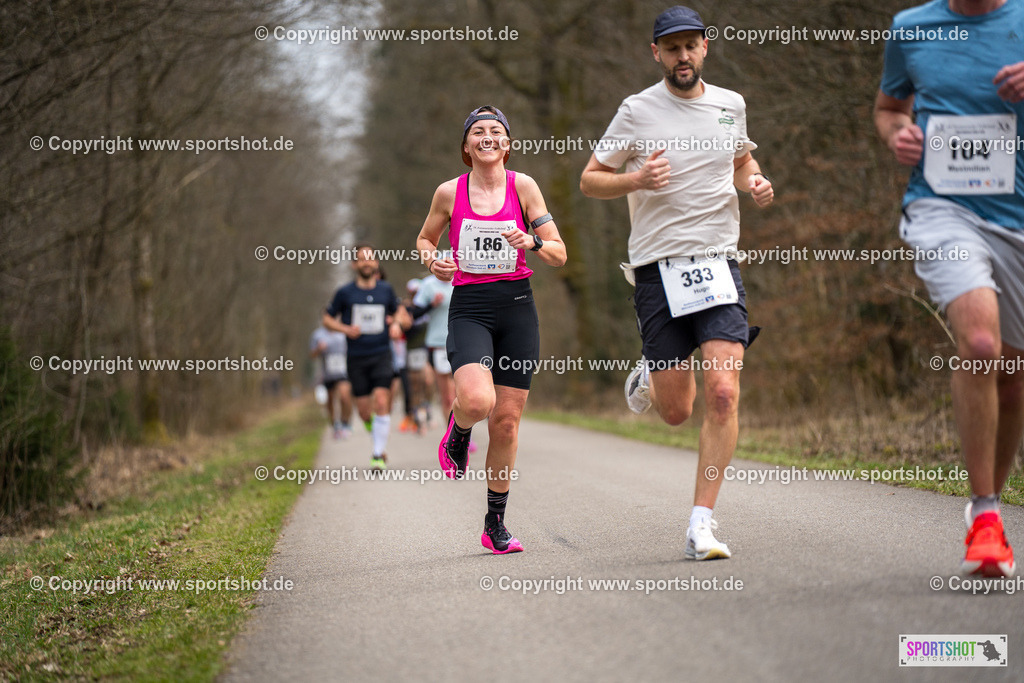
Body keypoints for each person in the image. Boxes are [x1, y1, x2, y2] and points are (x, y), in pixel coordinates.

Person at [580, 5, 774, 560]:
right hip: (656, 270)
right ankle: (652, 364)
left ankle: (701, 524)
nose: (682, 56)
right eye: (672, 48)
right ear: (656, 53)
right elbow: (590, 180)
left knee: (722, 391)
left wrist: (755, 182)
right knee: (675, 411)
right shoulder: (637, 110)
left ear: (705, 47)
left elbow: (741, 164)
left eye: (691, 46)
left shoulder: (730, 104)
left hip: (717, 262)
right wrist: (636, 178)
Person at [874, 0, 1023, 577]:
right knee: (981, 344)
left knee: (1012, 381)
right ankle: (986, 517)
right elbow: (889, 107)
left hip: (1018, 219)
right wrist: (899, 134)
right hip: (943, 208)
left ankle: (990, 504)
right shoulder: (911, 28)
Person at [416, 105, 567, 554]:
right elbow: (425, 239)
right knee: (479, 401)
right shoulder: (448, 192)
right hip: (470, 310)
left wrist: (533, 241)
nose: (487, 137)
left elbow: (559, 253)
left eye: (496, 131)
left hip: (518, 308)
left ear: (507, 143)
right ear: (466, 146)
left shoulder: (524, 187)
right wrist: (434, 261)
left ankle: (495, 524)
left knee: (505, 423)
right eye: (478, 131)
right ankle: (458, 431)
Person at [322, 244, 410, 470]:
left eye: (370, 259)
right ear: (354, 264)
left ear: (376, 263)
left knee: (381, 401)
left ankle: (378, 454)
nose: (367, 263)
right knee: (363, 411)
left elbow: (400, 312)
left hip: (381, 354)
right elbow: (327, 319)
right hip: (356, 357)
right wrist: (345, 329)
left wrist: (397, 324)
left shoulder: (385, 290)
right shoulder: (345, 293)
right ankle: (377, 436)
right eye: (362, 259)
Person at [309, 322, 353, 439]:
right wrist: (319, 349)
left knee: (344, 396)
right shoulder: (317, 335)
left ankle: (345, 423)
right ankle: (335, 425)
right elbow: (312, 355)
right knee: (330, 400)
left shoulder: (344, 332)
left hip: (344, 371)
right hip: (327, 373)